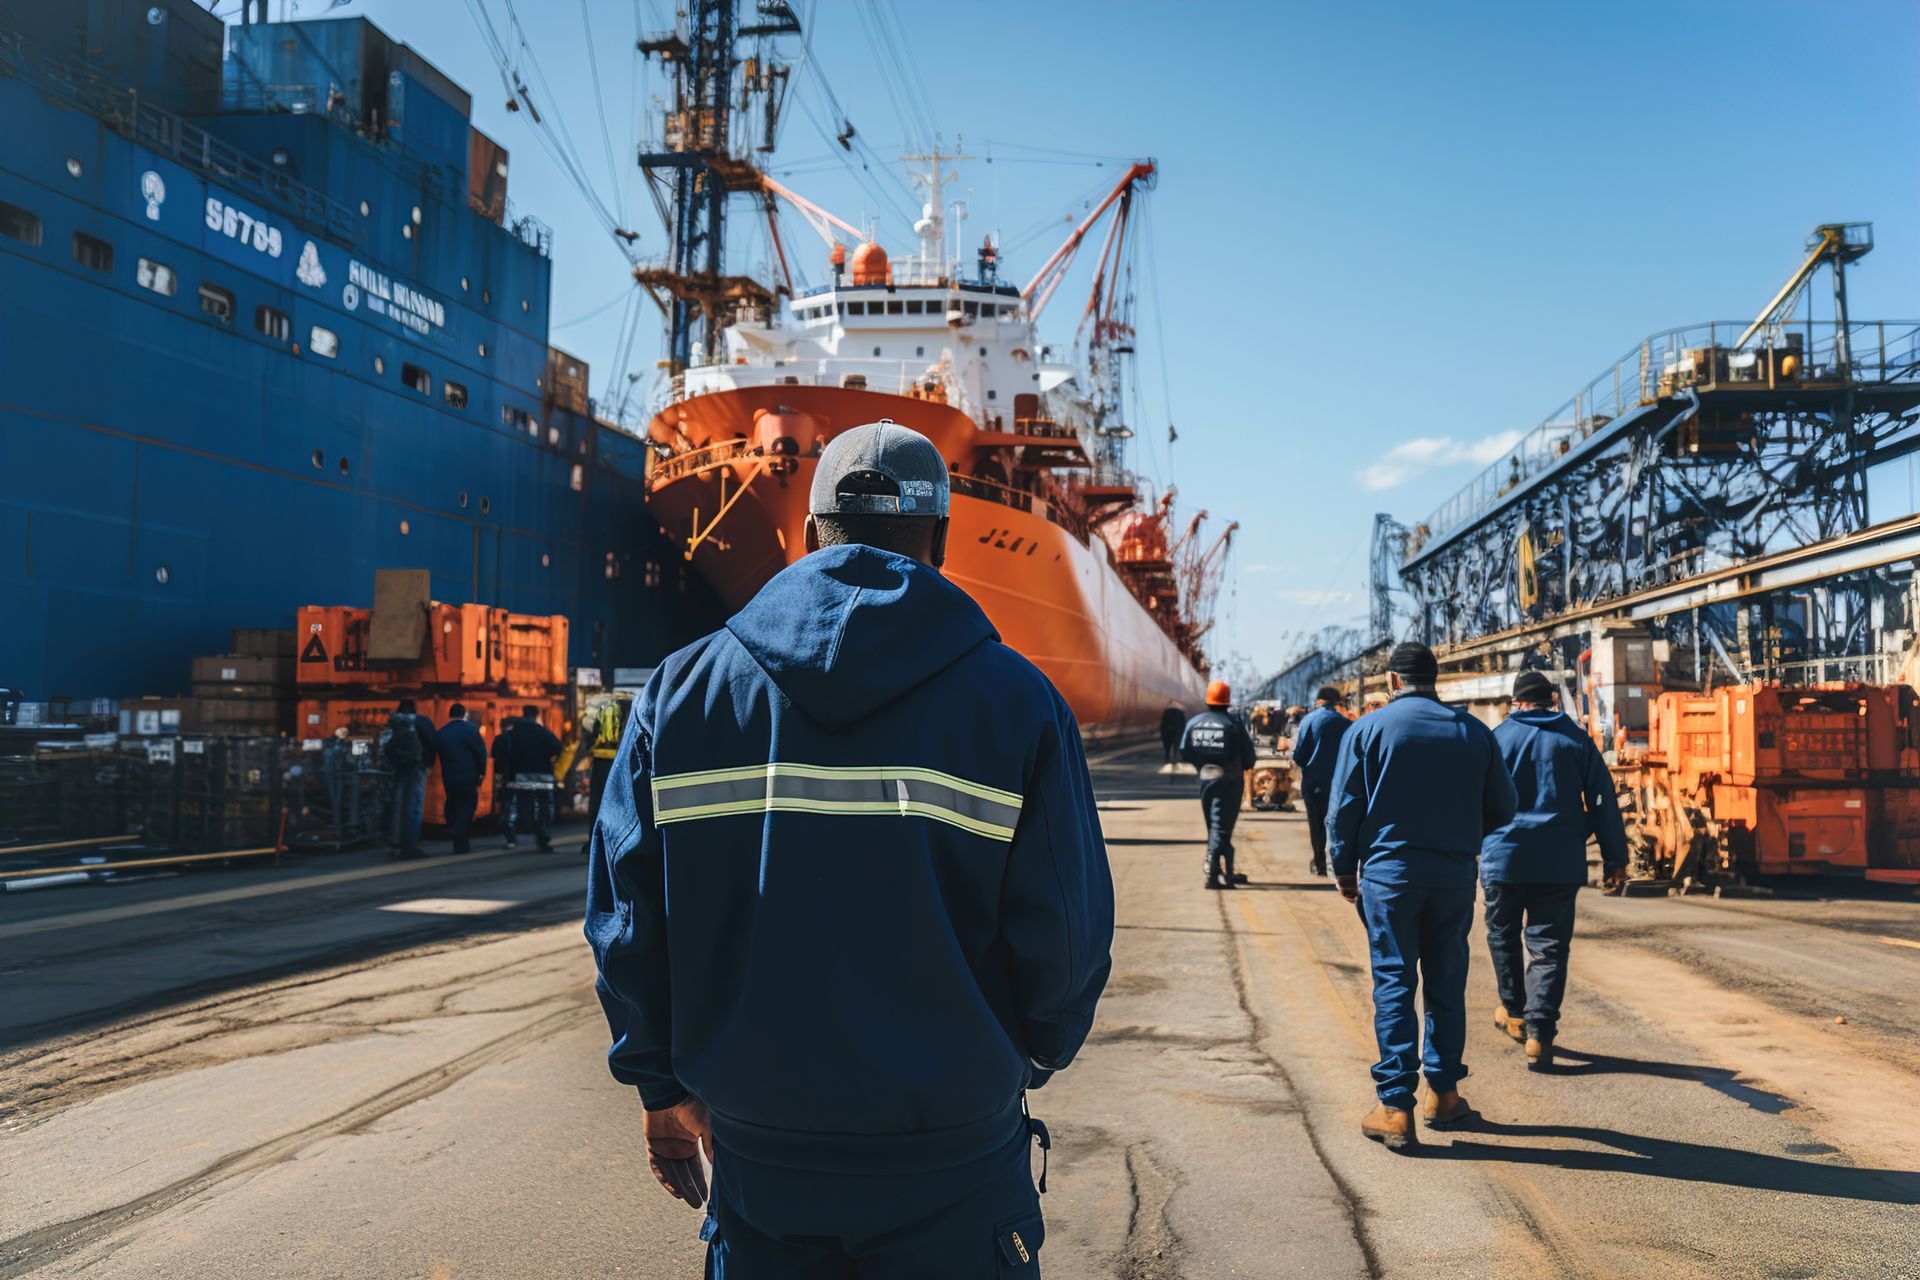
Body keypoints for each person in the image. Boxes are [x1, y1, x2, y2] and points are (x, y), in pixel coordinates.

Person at [585, 421, 1112, 1277]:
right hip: (953, 1156)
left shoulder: (678, 694)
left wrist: (659, 1087)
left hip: (760, 1157)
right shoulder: (1021, 704)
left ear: (805, 535)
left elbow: (624, 919)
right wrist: (1029, 1053)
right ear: (942, 540)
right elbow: (1068, 930)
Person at [1327, 642, 1517, 1150]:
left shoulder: (1367, 729)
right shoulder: (1473, 732)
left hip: (1390, 878)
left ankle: (1395, 1108)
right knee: (1445, 982)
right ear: (1436, 680)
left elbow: (1342, 808)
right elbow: (1504, 807)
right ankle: (1445, 1095)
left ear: (1392, 682)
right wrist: (1460, 836)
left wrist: (1344, 868)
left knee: (1393, 981)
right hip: (1453, 877)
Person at [1482, 671, 1629, 1070]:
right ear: (1552, 699)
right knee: (1549, 947)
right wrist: (1616, 857)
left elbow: (1476, 798)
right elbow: (1602, 800)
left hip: (1504, 858)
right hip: (1559, 861)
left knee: (1503, 936)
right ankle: (1540, 1034)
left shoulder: (1497, 739)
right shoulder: (1576, 739)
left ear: (1516, 702)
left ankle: (1513, 1011)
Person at [1180, 681, 1257, 890]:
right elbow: (1249, 757)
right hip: (1230, 781)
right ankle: (1213, 869)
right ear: (1227, 700)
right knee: (1221, 826)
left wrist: (1202, 765)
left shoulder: (1194, 723)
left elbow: (1185, 751)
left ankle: (1225, 870)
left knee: (1214, 825)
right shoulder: (1233, 724)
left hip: (1206, 779)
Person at [1292, 685, 1351, 877]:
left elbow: (1300, 755)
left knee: (1315, 823)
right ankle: (1335, 861)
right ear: (1335, 702)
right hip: (1336, 783)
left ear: (1319, 701)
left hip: (1312, 782)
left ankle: (1319, 863)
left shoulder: (1308, 720)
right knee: (1334, 822)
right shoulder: (1344, 723)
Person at [493, 705, 560, 851]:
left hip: (518, 777)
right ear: (537, 716)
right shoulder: (545, 733)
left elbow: (500, 752)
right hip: (542, 777)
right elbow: (558, 749)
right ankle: (543, 838)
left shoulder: (512, 734)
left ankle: (511, 839)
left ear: (523, 715)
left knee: (513, 808)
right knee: (543, 808)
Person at [574, 688, 633, 853]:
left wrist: (583, 757)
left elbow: (587, 731)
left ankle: (594, 843)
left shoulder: (598, 703)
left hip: (602, 762)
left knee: (598, 803)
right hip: (626, 759)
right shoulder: (635, 701)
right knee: (626, 801)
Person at [437, 703, 487, 855]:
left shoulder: (442, 733)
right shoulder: (471, 731)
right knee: (467, 806)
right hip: (468, 775)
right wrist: (481, 773)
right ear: (464, 714)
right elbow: (481, 754)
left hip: (449, 776)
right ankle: (460, 835)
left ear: (449, 715)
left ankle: (454, 830)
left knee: (452, 802)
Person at [382, 698, 427, 859]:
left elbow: (384, 748)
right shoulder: (417, 726)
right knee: (412, 809)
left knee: (393, 809)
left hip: (394, 773)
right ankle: (411, 844)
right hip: (412, 773)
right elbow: (425, 746)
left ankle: (393, 843)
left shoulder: (390, 726)